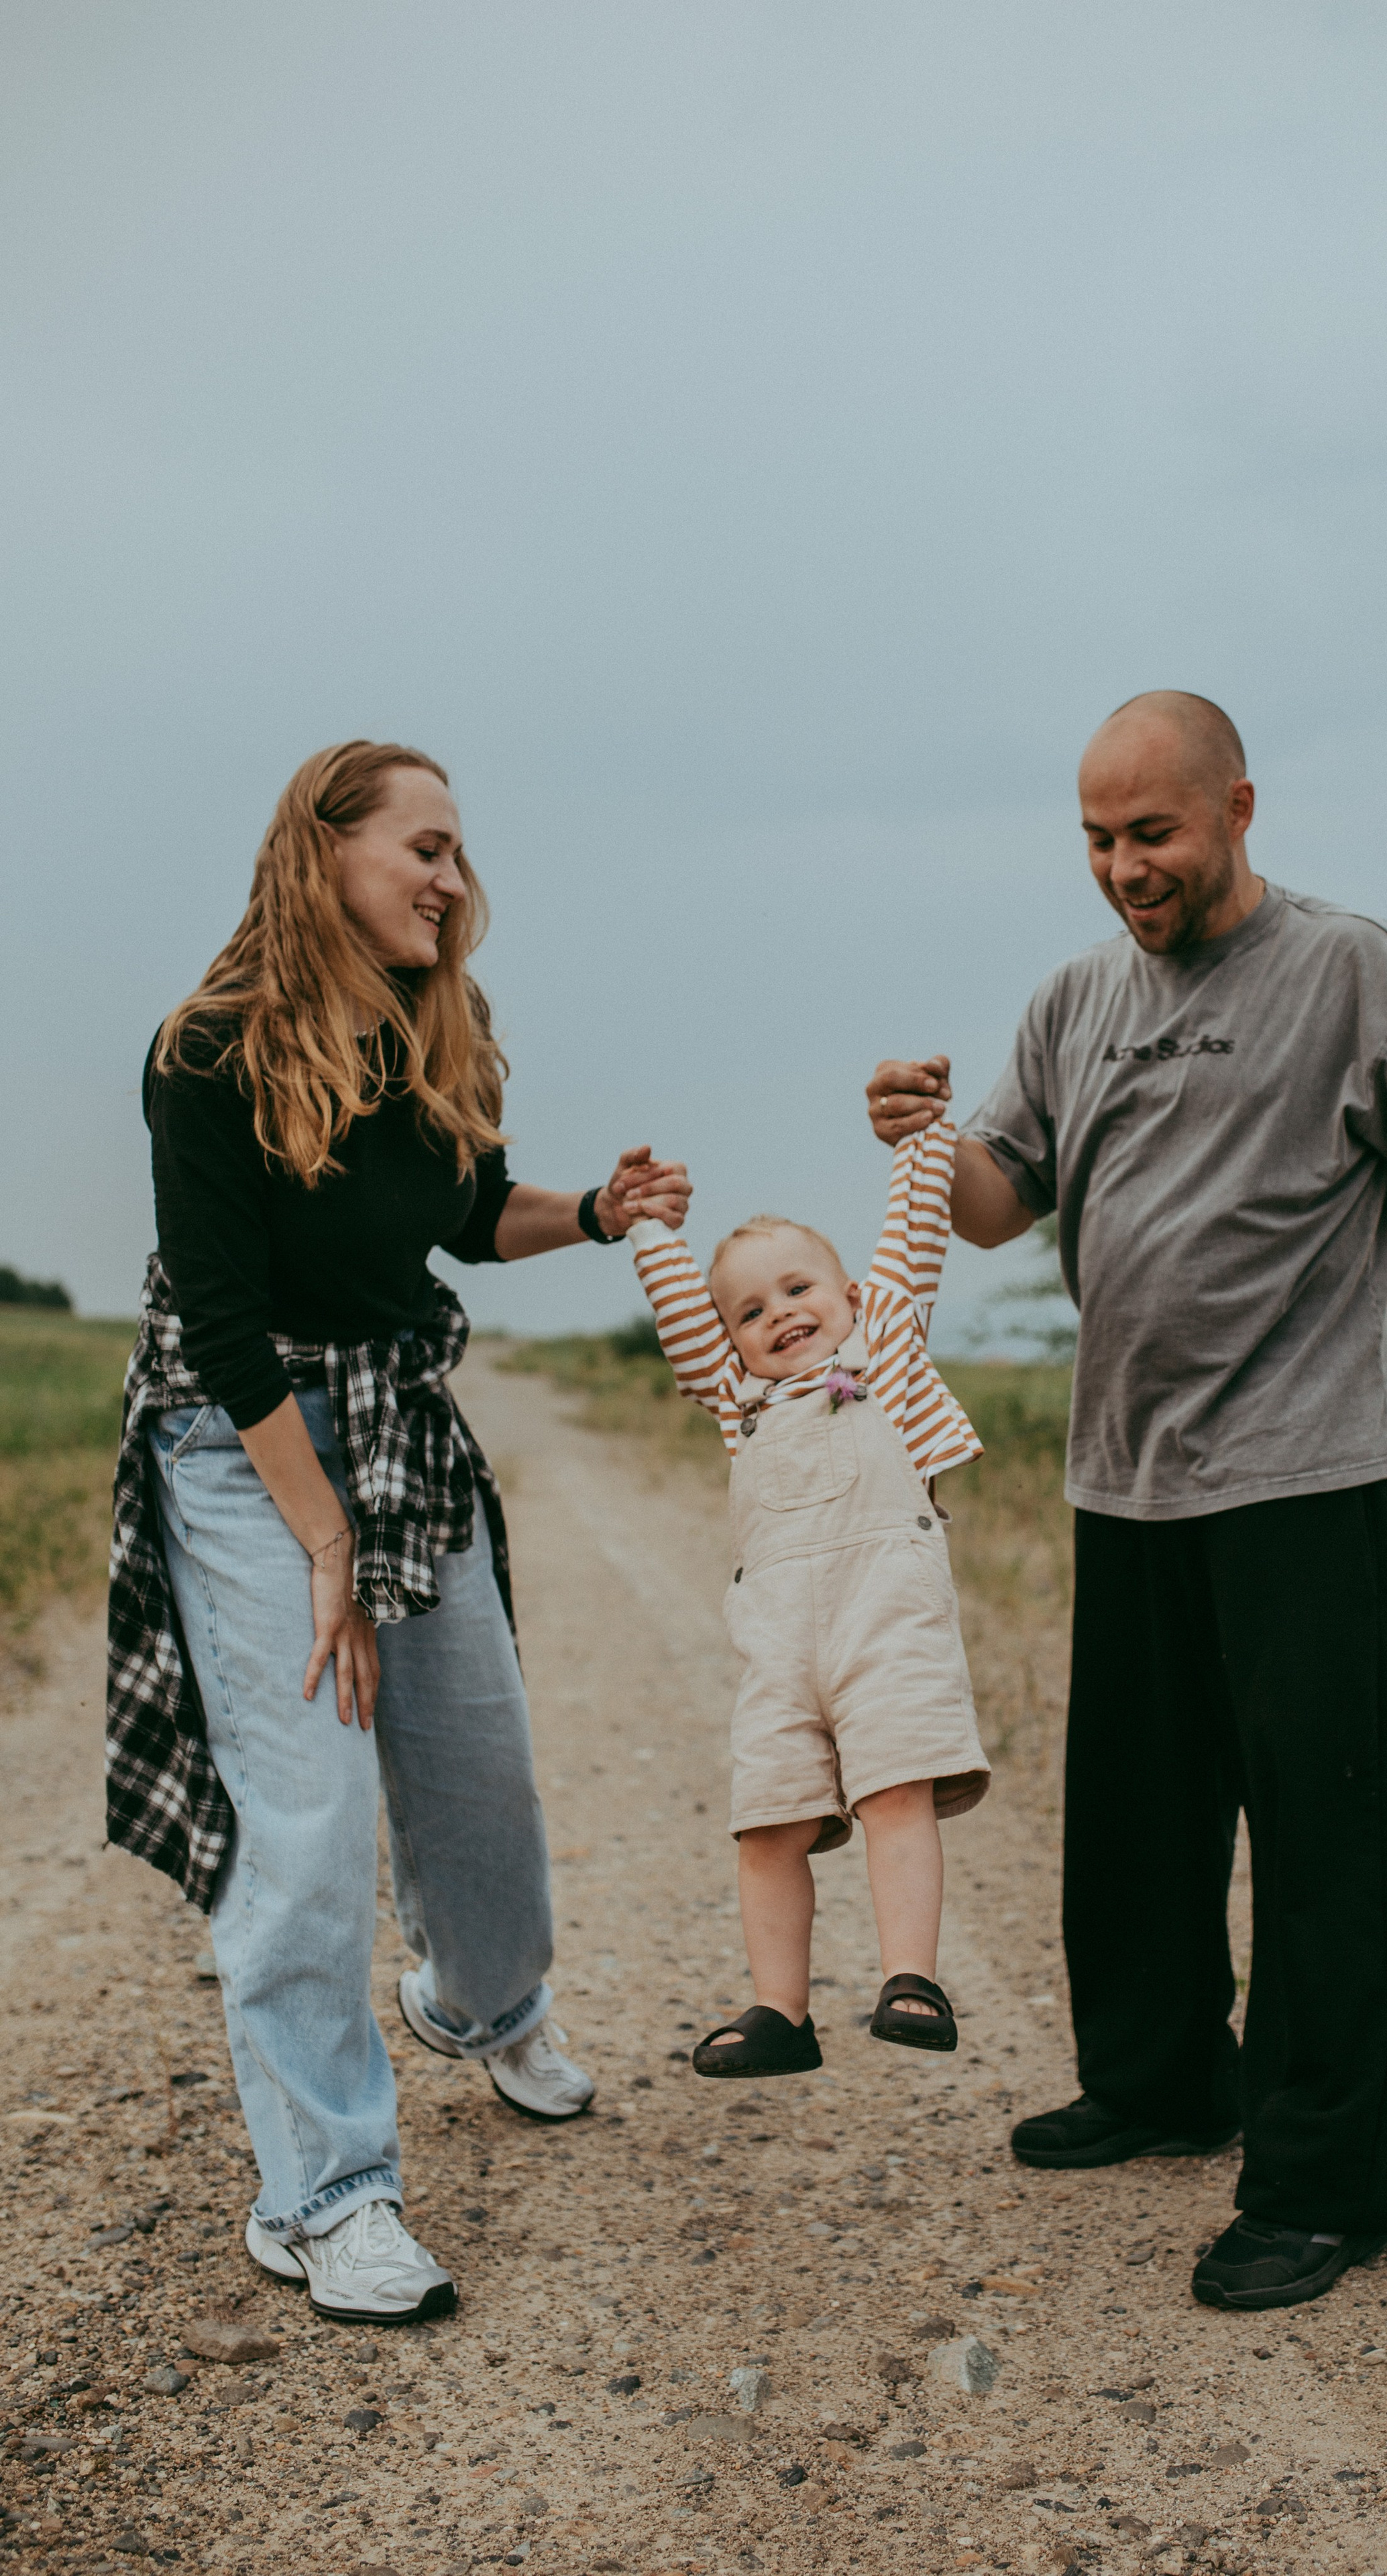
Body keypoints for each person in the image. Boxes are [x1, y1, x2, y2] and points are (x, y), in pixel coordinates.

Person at [866, 690, 1387, 2315]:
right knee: (1137, 1821)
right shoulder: (1075, 998)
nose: (1122, 868)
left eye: (1150, 834)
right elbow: (1003, 1202)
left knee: (1322, 1838)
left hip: (1303, 1477)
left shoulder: (1348, 970)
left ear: (1236, 809)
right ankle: (1161, 2081)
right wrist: (924, 1142)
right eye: (1096, 840)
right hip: (1126, 1476)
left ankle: (1320, 2181)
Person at [107, 739, 689, 2326]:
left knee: (478, 1764)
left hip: (396, 1420)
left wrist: (594, 1212)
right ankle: (324, 2196)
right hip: (243, 1443)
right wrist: (323, 1551)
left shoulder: (436, 1027)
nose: (450, 877)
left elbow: (467, 1216)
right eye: (422, 847)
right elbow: (223, 1330)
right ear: (324, 851)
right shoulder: (208, 1050)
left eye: (456, 851)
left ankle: (485, 2005)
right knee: (309, 1812)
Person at [626, 1108, 989, 2075]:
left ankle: (910, 1977)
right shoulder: (736, 1401)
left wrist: (923, 1138)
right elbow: (681, 1311)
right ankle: (781, 2012)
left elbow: (913, 1236)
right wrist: (647, 1223)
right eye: (749, 1312)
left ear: (852, 1296)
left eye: (798, 1288)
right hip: (780, 1652)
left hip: (887, 1629)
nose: (779, 1314)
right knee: (769, 1824)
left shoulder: (886, 1352)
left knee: (896, 1794)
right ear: (729, 1342)